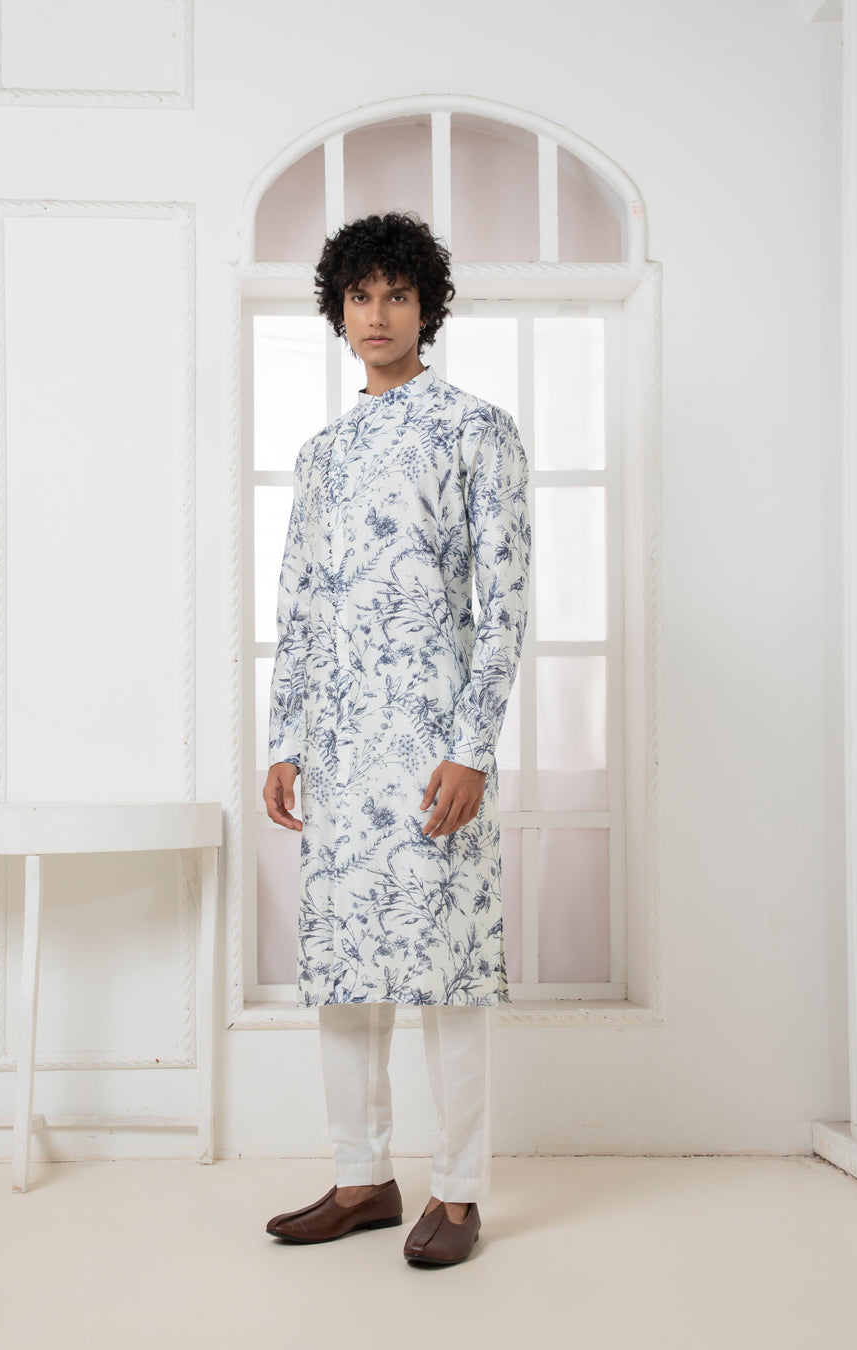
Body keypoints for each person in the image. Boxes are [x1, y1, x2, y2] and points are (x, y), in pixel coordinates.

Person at [262, 212, 531, 1265]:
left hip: (432, 750)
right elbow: (299, 606)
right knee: (345, 972)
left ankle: (458, 1196)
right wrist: (286, 740)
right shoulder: (322, 455)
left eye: (397, 295)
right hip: (340, 752)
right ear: (339, 311)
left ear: (427, 308)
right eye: (359, 296)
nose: (377, 314)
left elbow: (503, 604)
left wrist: (472, 749)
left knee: (446, 976)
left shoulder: (475, 430)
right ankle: (361, 1177)